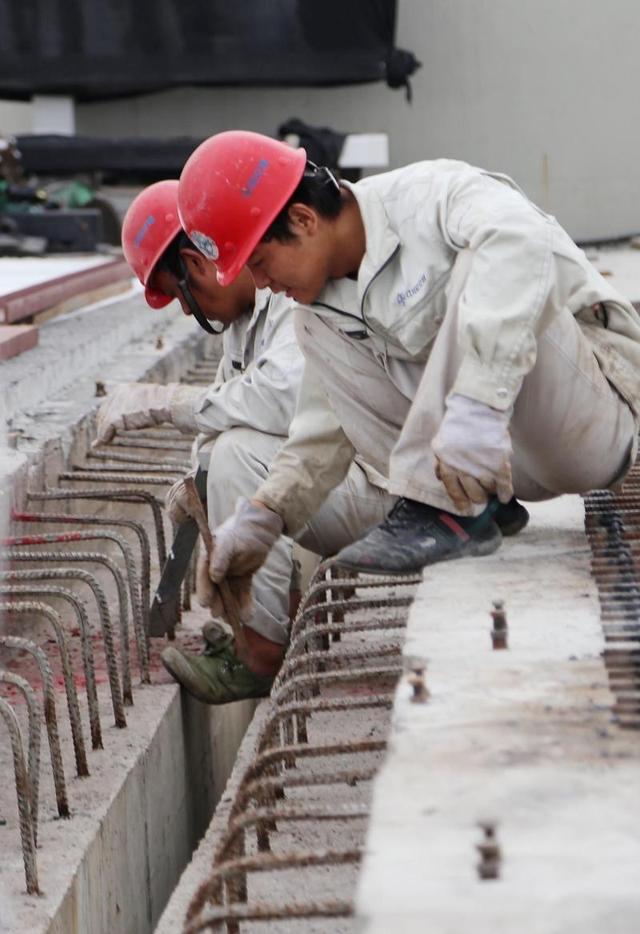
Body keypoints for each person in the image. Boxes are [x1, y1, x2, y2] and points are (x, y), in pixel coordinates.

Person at [176, 130, 640, 636]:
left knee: (485, 256)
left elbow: (524, 244)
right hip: (497, 463)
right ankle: (469, 508)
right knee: (319, 330)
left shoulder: (431, 197)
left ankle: (442, 508)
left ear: (304, 219)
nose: (261, 284)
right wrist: (267, 513)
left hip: (590, 422)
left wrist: (479, 402)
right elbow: (326, 423)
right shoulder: (318, 315)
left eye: (260, 263)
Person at [96, 179, 308, 703]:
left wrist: (168, 403)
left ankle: (261, 658)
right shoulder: (242, 323)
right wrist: (197, 480)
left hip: (392, 480)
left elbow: (283, 397)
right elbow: (223, 409)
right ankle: (251, 632)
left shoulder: (288, 293)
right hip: (344, 474)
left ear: (196, 262)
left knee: (236, 453)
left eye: (182, 296)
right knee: (221, 454)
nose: (189, 314)